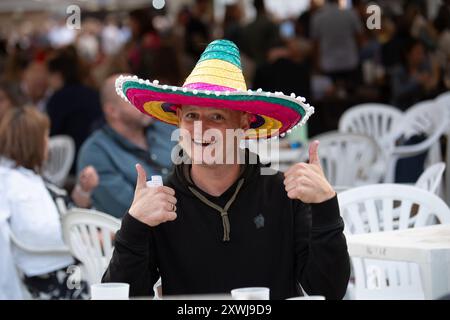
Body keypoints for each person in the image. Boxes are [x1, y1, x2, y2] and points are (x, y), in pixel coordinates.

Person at [103, 40, 350, 299]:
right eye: (191, 116)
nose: (200, 128)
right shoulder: (162, 203)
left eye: (217, 117)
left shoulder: (285, 194)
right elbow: (122, 295)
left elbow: (328, 291)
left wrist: (326, 207)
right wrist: (133, 226)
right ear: (178, 120)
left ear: (243, 124)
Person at [0, 107, 89, 299]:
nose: (48, 144)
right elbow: (42, 232)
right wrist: (95, 237)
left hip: (69, 259)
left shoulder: (24, 178)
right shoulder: (18, 186)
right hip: (55, 275)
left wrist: (83, 191)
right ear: (33, 142)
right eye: (46, 137)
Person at [77, 75, 175, 218]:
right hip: (150, 232)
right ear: (112, 111)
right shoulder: (96, 151)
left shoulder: (165, 128)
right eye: (135, 98)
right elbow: (129, 208)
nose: (146, 101)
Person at [45, 46, 103, 171]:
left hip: (69, 164)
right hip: (97, 157)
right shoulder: (93, 93)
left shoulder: (58, 99)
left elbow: (50, 132)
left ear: (57, 74)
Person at [310, 0, 363, 91]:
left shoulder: (318, 17)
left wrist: (316, 65)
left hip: (328, 64)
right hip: (350, 62)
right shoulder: (350, 14)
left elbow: (315, 44)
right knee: (352, 96)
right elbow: (359, 38)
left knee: (331, 100)